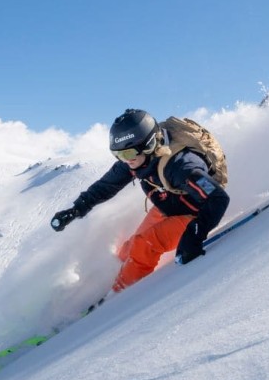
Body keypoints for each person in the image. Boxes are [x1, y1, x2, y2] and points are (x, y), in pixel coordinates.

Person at [51, 109, 230, 293]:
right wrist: (76, 209)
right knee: (128, 248)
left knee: (144, 246)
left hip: (198, 212)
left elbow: (217, 198)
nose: (124, 160)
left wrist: (195, 235)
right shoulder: (135, 158)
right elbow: (106, 186)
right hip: (171, 203)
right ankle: (111, 279)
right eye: (118, 155)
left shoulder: (180, 166)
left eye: (127, 154)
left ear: (148, 145)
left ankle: (117, 297)